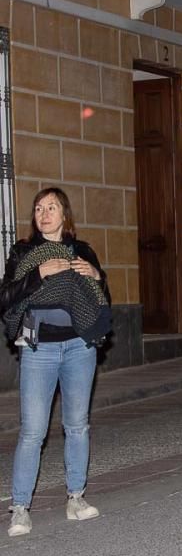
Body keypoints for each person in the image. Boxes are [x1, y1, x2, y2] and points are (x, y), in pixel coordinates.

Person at [1, 188, 112, 537]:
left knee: (77, 424)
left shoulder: (82, 251)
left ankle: (76, 498)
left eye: (52, 207)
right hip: (39, 350)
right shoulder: (24, 251)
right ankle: (20, 508)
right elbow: (5, 297)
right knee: (33, 430)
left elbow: (101, 300)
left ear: (65, 215)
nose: (44, 212)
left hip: (80, 347)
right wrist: (39, 274)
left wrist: (96, 277)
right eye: (38, 208)